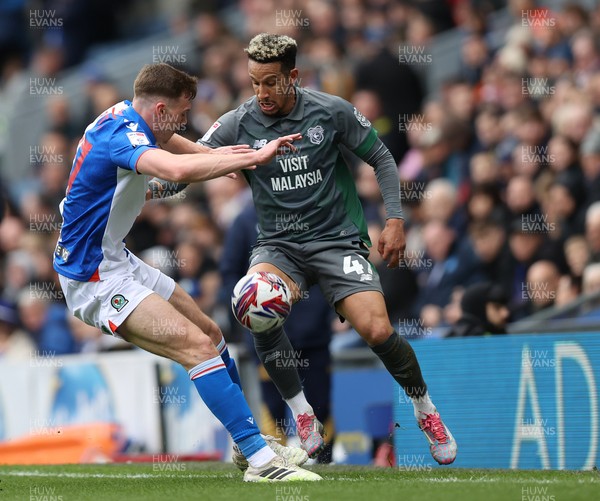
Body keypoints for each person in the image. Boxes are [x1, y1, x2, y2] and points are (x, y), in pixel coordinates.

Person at [52, 63, 320, 482]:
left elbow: (173, 142)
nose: (183, 122)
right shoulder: (123, 136)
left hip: (115, 259)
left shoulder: (128, 114)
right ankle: (261, 463)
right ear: (159, 107)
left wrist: (217, 155)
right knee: (197, 348)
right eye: (179, 112)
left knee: (212, 335)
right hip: (92, 278)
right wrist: (252, 156)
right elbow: (174, 170)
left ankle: (245, 443)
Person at [198, 34, 457, 465]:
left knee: (376, 330)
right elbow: (194, 161)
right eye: (254, 83)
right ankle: (302, 414)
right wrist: (150, 185)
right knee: (252, 302)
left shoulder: (330, 111)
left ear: (293, 76)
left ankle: (424, 408)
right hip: (278, 247)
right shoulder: (237, 122)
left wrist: (394, 219)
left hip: (337, 241)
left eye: (270, 82)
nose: (261, 93)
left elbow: (382, 159)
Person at [220, 202, 336, 463]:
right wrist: (244, 316)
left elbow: (328, 266)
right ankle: (278, 461)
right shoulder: (245, 219)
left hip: (314, 333)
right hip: (268, 335)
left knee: (321, 402)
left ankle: (326, 462)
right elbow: (230, 272)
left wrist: (331, 309)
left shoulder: (312, 210)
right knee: (273, 409)